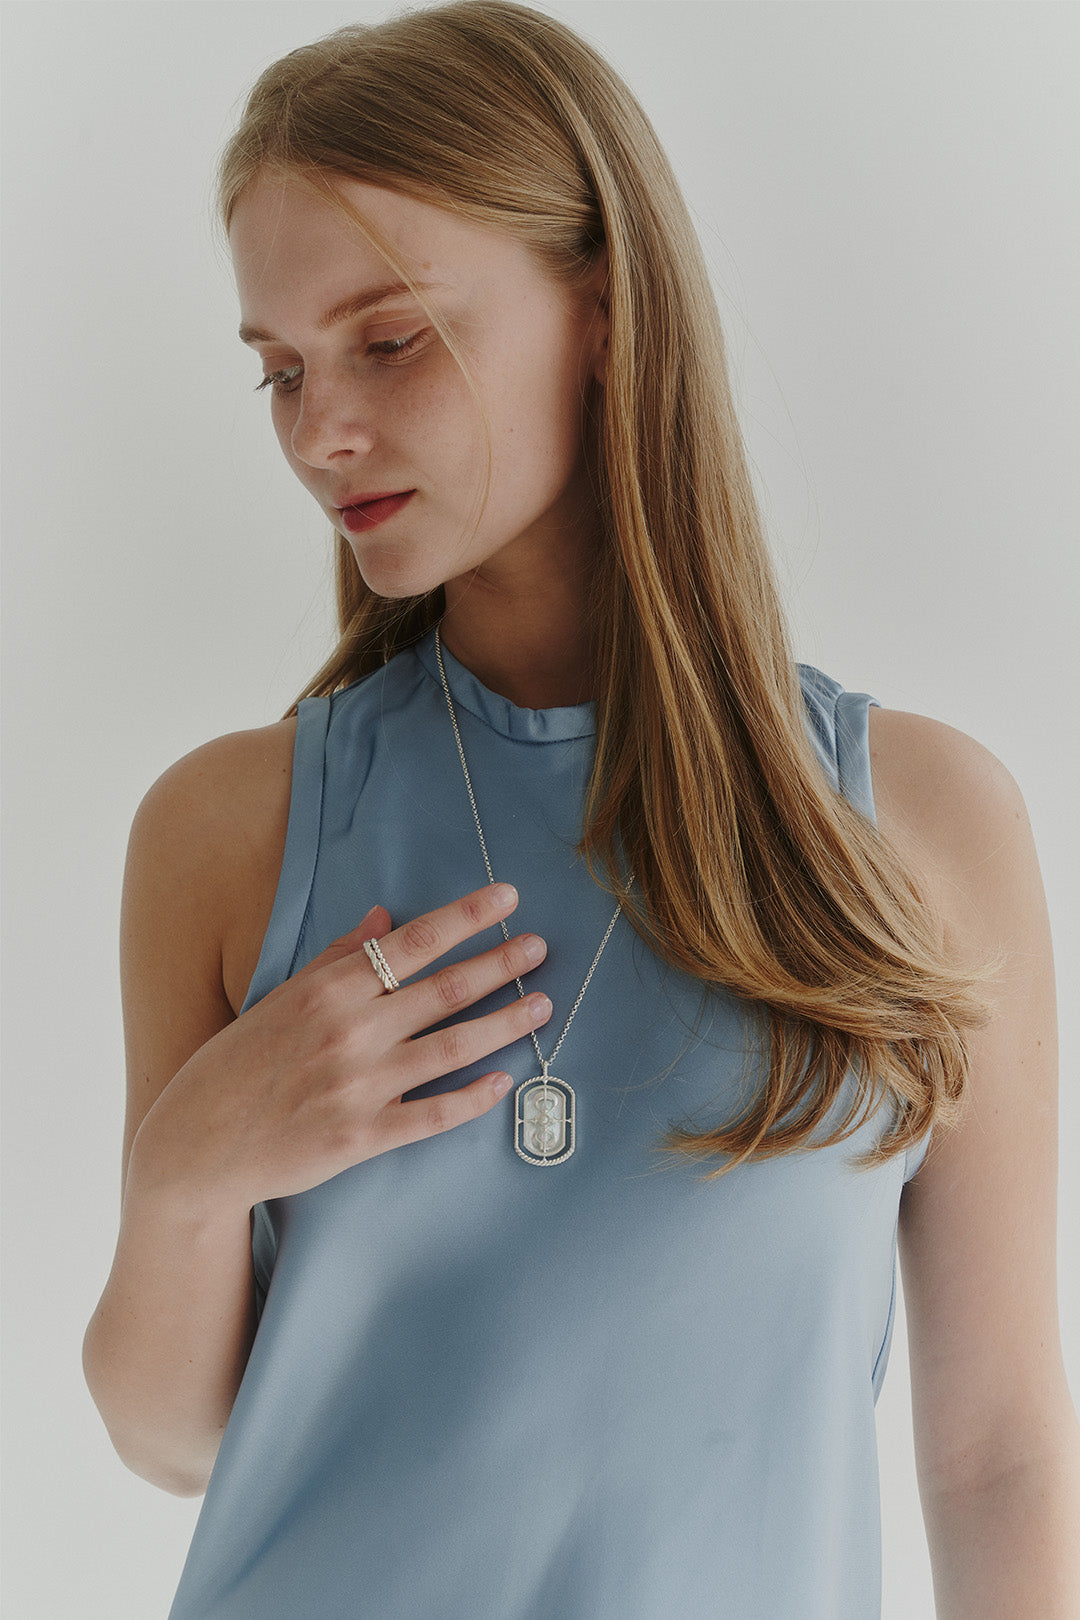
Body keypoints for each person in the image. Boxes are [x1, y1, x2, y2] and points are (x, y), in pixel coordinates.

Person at [81, 3, 1079, 1615]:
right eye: (280, 371)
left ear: (602, 311)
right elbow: (173, 1440)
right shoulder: (228, 830)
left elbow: (998, 1455)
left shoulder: (920, 829)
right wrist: (186, 1174)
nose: (321, 432)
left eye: (389, 340)